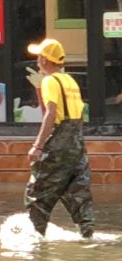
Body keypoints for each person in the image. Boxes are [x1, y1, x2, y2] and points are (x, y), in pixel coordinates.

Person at [25, 38, 94, 239]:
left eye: (39, 56)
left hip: (58, 145)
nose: (37, 60)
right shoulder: (70, 81)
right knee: (77, 192)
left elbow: (51, 113)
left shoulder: (50, 81)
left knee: (37, 193)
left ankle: (35, 239)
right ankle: (88, 234)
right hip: (77, 144)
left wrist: (37, 146)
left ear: (45, 60)